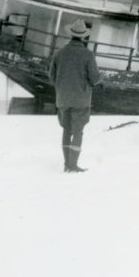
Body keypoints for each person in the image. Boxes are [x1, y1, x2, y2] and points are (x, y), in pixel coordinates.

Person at [49, 18, 100, 172]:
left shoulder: (59, 53)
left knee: (66, 130)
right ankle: (73, 165)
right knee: (78, 132)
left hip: (63, 99)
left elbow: (52, 76)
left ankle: (67, 164)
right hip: (81, 100)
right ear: (84, 36)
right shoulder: (88, 54)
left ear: (70, 35)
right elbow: (95, 78)